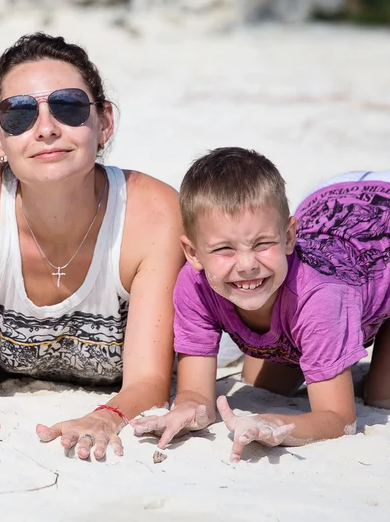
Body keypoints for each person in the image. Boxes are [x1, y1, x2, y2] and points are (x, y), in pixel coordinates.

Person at [0, 33, 184, 460]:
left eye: (68, 106)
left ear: (104, 122)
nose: (47, 129)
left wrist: (107, 416)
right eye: (18, 115)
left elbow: (148, 380)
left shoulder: (153, 212)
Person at [132, 147, 390, 462]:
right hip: (333, 209)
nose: (247, 265)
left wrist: (275, 424)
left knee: (381, 395)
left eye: (263, 244)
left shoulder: (319, 295)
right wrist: (188, 410)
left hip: (378, 225)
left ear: (289, 237)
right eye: (224, 248)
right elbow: (196, 394)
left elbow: (339, 419)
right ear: (193, 253)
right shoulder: (195, 285)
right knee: (261, 385)